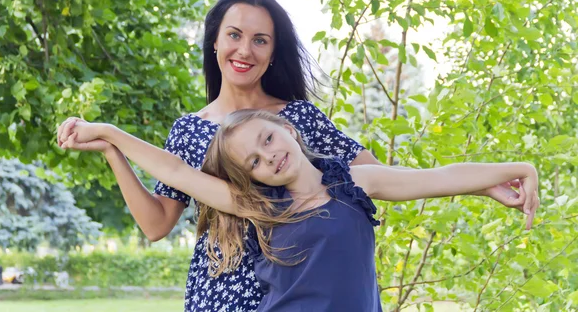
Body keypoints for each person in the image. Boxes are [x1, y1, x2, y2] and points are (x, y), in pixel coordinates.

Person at [57, 0, 530, 312]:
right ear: (216, 41)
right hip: (217, 294)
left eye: (260, 39)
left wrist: (484, 182)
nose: (245, 49)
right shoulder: (194, 136)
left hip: (302, 286)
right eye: (235, 35)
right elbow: (162, 209)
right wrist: (111, 145)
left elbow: (385, 179)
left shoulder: (297, 122)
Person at [57, 110, 539, 311]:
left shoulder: (355, 183)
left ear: (285, 127)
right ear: (252, 178)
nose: (269, 156)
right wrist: (109, 136)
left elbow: (437, 177)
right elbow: (179, 173)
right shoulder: (258, 206)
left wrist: (509, 170)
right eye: (254, 162)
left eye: (268, 139)